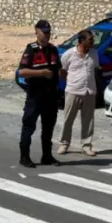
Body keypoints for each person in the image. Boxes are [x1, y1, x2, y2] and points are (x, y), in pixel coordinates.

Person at [16, 19, 62, 168]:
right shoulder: (32, 49)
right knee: (29, 126)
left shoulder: (53, 50)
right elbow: (22, 72)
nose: (47, 35)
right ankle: (24, 157)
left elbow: (59, 70)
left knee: (48, 127)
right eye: (44, 32)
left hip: (51, 96)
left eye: (49, 32)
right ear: (37, 32)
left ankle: (47, 156)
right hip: (35, 96)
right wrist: (41, 73)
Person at [58, 29, 100, 157]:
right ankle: (64, 144)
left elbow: (95, 69)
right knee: (68, 119)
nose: (93, 42)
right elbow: (62, 71)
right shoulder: (69, 54)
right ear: (81, 41)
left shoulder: (94, 53)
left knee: (88, 120)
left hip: (89, 91)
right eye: (90, 40)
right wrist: (71, 81)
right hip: (73, 90)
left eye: (93, 39)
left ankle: (86, 145)